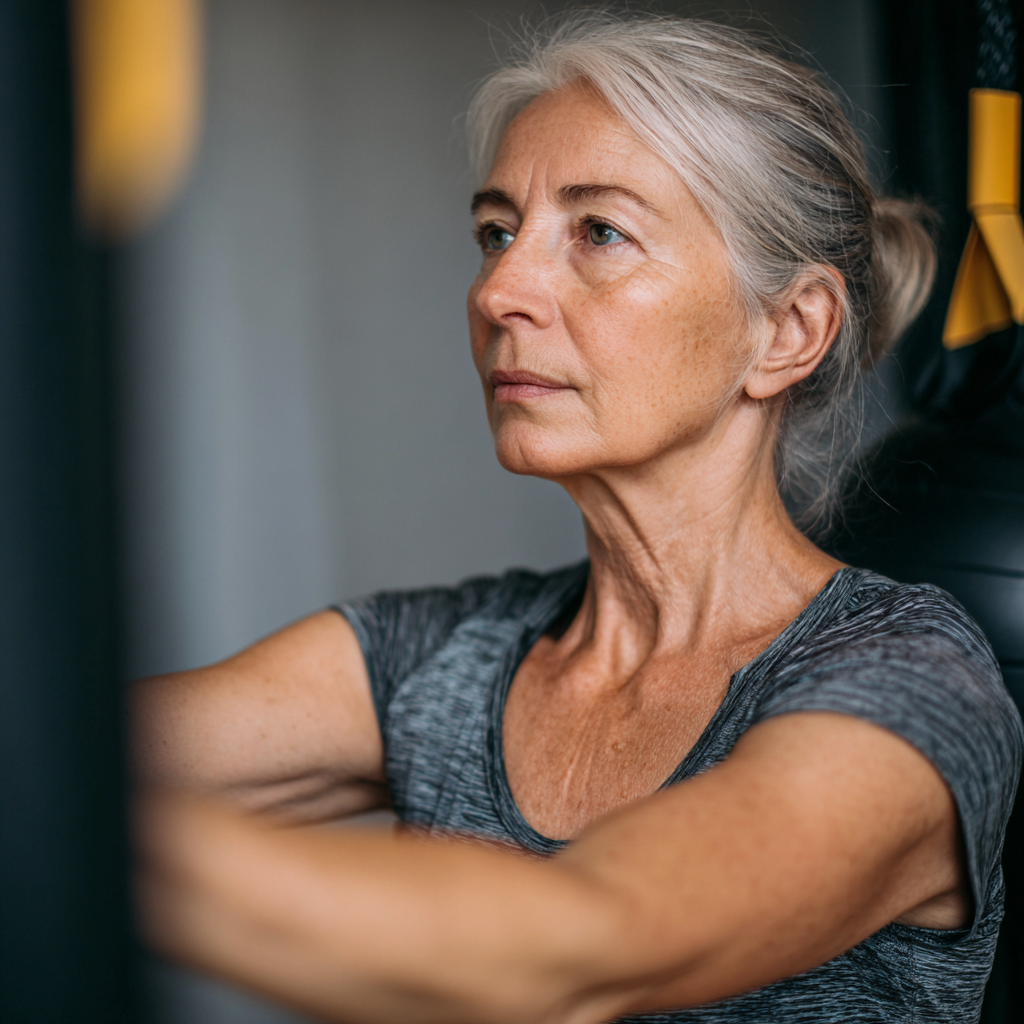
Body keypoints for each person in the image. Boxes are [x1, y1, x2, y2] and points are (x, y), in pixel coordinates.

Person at [133, 12, 1023, 1024]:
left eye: (599, 231)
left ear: (786, 331)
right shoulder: (447, 658)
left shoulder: (910, 679)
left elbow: (579, 949)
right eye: (496, 232)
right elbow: (67, 748)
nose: (499, 288)